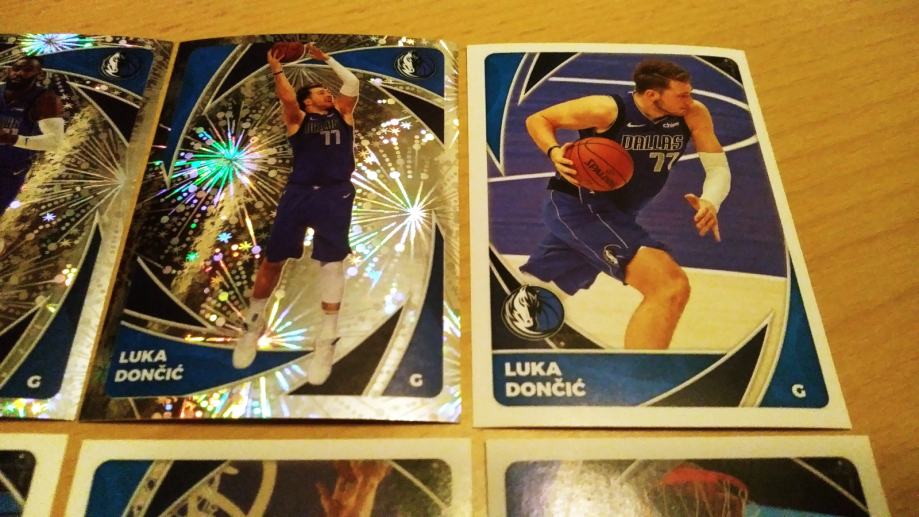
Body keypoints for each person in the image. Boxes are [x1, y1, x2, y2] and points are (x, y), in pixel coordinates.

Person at [521, 59, 731, 350]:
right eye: (682, 95)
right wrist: (554, 151)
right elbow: (539, 119)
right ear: (652, 95)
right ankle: (643, 371)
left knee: (541, 291)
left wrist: (711, 200)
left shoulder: (692, 113)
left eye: (690, 93)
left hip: (619, 214)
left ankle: (502, 328)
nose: (690, 100)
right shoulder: (607, 109)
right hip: (578, 205)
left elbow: (718, 168)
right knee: (669, 286)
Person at [233, 43, 360, 381]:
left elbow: (352, 84)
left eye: (327, 91)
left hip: (335, 193)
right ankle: (252, 324)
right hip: (300, 193)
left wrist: (327, 59)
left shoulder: (343, 114)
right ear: (307, 101)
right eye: (320, 92)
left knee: (332, 262)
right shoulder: (297, 119)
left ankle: (327, 337)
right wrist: (277, 69)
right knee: (273, 259)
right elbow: (287, 99)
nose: (327, 94)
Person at [0, 56, 64, 254]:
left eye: (26, 70)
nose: (18, 73)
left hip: (8, 171)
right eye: (16, 68)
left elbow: (54, 141)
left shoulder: (45, 99)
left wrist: (14, 139)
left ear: (39, 75)